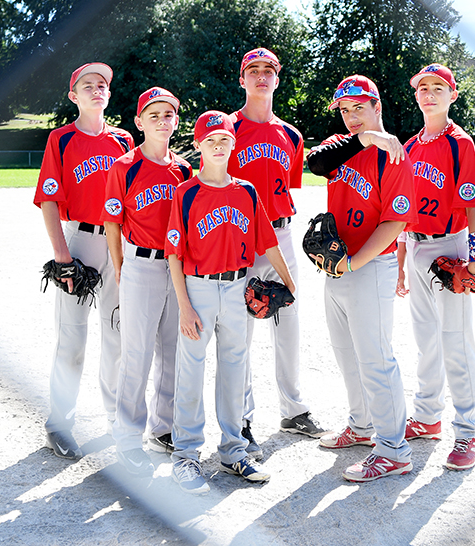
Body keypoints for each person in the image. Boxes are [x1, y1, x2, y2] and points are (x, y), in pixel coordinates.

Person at [164, 111, 296, 494]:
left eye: (224, 139)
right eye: (210, 140)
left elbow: (268, 242)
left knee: (235, 370)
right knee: (190, 371)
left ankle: (233, 450)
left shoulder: (247, 191)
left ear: (232, 145)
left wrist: (288, 284)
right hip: (199, 288)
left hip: (238, 288)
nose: (218, 146)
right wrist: (184, 306)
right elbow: (174, 254)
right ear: (199, 145)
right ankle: (185, 456)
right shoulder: (185, 192)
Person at [305, 75, 416, 482]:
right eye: (346, 110)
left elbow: (395, 221)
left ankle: (394, 450)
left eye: (359, 108)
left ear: (377, 107)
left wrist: (352, 263)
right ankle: (362, 426)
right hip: (337, 266)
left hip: (369, 267)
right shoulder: (344, 148)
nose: (352, 117)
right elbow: (315, 163)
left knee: (375, 358)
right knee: (345, 352)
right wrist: (361, 140)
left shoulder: (394, 155)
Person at [33, 62, 134, 460]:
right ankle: (59, 423)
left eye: (102, 84)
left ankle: (115, 417)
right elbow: (49, 199)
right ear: (74, 95)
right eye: (87, 85)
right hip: (79, 241)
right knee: (72, 338)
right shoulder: (61, 139)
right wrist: (62, 256)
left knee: (118, 335)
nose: (97, 89)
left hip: (119, 243)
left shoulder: (125, 140)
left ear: (109, 94)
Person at [228, 47, 325, 454]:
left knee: (288, 323)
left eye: (269, 70)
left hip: (281, 235)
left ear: (277, 78)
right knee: (240, 331)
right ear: (242, 79)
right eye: (254, 70)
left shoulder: (291, 135)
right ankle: (242, 417)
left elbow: (287, 193)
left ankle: (293, 409)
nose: (262, 76)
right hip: (239, 238)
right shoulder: (227, 129)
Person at [395, 63, 475, 471]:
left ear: (452, 94)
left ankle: (469, 432)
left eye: (438, 87)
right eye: (423, 88)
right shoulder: (411, 147)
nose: (429, 93)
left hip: (449, 248)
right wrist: (400, 262)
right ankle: (428, 417)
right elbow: (403, 210)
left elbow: (473, 206)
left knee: (455, 341)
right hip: (415, 247)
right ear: (416, 96)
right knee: (426, 341)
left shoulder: (459, 143)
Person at [103, 87, 192, 477]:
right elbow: (112, 220)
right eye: (152, 115)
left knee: (173, 351)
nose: (161, 120)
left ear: (176, 121)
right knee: (136, 353)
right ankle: (126, 437)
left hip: (178, 268)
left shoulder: (185, 170)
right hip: (140, 263)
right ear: (139, 122)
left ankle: (163, 427)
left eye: (168, 114)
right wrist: (120, 264)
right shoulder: (124, 165)